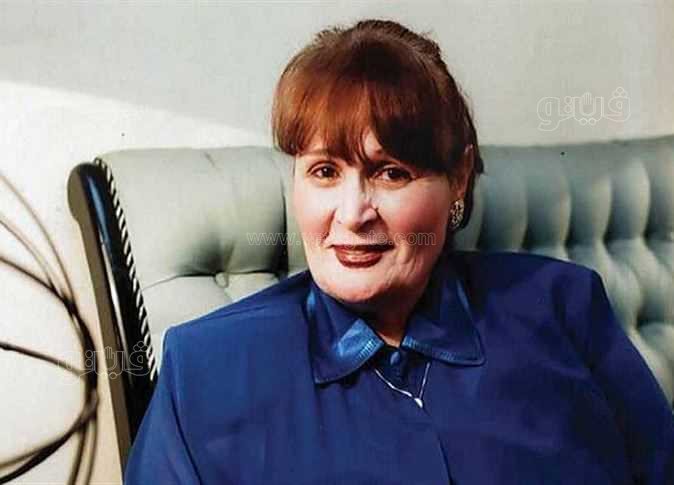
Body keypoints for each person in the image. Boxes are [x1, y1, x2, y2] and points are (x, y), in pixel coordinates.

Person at [124, 19, 674, 485]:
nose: (352, 213)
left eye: (391, 173)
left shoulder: (562, 305)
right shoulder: (204, 371)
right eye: (324, 171)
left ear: (459, 178)